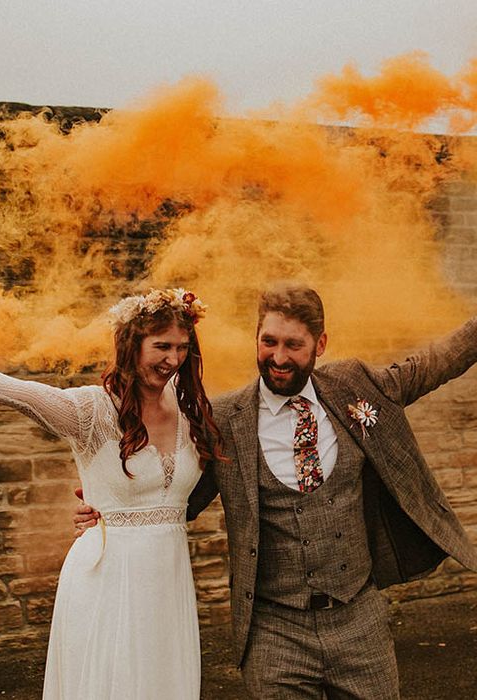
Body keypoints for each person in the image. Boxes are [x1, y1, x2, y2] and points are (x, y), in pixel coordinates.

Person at [75, 282, 477, 699]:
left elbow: (434, 362)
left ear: (320, 344)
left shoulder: (354, 385)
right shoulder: (225, 418)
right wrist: (110, 508)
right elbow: (176, 498)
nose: (279, 357)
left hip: (359, 624)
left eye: (293, 345)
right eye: (268, 342)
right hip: (274, 634)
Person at [0, 288, 223, 700]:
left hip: (168, 578)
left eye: (181, 348)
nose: (172, 359)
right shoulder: (91, 411)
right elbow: (16, 393)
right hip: (108, 574)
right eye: (161, 346)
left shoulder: (190, 409)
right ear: (131, 345)